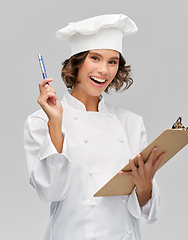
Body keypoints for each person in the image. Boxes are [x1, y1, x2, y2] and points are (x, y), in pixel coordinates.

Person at [24, 14, 166, 240]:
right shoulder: (41, 122)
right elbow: (50, 191)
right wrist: (56, 123)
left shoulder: (131, 122)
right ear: (76, 63)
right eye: (95, 58)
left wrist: (145, 187)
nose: (104, 70)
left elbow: (145, 211)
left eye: (112, 61)